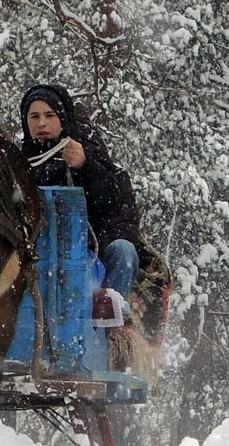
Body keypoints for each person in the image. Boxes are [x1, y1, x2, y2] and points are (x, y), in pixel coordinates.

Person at [19, 84, 141, 296]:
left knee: (124, 252)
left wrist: (86, 166)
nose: (42, 123)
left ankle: (113, 323)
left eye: (50, 115)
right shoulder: (19, 164)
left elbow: (112, 203)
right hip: (36, 255)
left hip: (90, 252)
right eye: (34, 116)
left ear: (63, 118)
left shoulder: (89, 154)